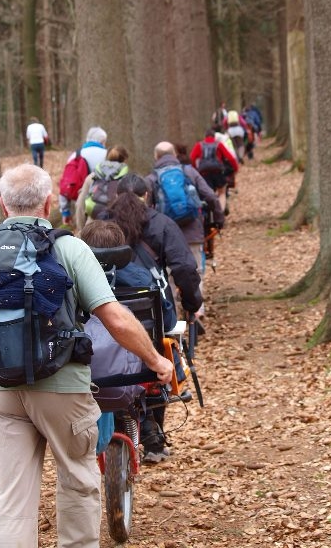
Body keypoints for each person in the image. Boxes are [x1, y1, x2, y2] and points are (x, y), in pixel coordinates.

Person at [0, 164, 172, 548]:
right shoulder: (67, 247)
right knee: (78, 484)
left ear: (3, 204)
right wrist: (156, 360)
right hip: (62, 387)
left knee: (9, 504)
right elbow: (114, 318)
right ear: (47, 203)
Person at [101, 173, 202, 462]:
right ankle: (154, 432)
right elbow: (184, 267)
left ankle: (123, 424)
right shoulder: (161, 223)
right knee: (160, 352)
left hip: (105, 313)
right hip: (153, 312)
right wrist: (192, 303)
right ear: (148, 196)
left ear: (116, 195)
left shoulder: (100, 224)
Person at [145, 141, 224, 320]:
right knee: (195, 270)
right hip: (193, 231)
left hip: (164, 236)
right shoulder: (189, 172)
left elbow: (146, 208)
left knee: (167, 274)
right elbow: (210, 196)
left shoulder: (151, 178)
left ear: (156, 157)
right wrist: (218, 219)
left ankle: (172, 314)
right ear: (174, 154)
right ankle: (197, 310)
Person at [58, 126, 108, 225]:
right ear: (102, 141)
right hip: (103, 205)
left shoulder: (76, 155)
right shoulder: (107, 155)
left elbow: (66, 184)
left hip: (80, 203)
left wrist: (65, 211)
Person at [75, 145, 129, 231]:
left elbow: (80, 206)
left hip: (91, 227)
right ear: (125, 160)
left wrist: (81, 230)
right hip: (116, 230)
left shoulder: (92, 177)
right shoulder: (127, 180)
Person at [190, 128, 238, 212]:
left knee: (206, 193)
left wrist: (195, 169)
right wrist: (235, 168)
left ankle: (207, 213)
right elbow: (230, 158)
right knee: (222, 192)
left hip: (204, 174)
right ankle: (220, 212)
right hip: (218, 173)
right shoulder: (218, 144)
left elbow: (192, 158)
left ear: (205, 136)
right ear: (214, 136)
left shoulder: (199, 145)